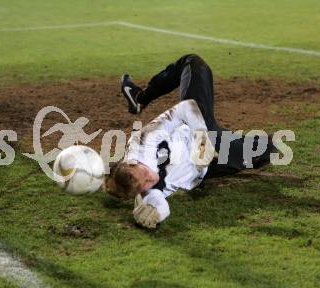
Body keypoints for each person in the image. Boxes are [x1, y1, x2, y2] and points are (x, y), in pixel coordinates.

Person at [105, 54, 277, 229]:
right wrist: (157, 215)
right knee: (267, 149)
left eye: (146, 176)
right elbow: (158, 203)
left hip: (200, 130)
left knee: (192, 62)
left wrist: (202, 143)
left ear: (133, 163)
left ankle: (140, 98)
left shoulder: (143, 141)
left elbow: (186, 107)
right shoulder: (146, 190)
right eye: (146, 184)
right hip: (208, 168)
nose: (152, 179)